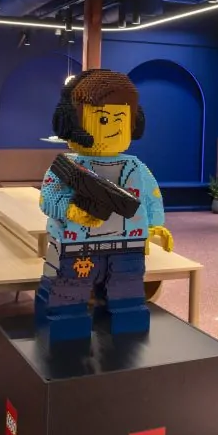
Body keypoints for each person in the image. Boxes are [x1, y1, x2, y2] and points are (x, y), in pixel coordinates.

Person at [35, 69, 173, 342]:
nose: (113, 128)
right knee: (67, 295)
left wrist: (155, 224)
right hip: (75, 247)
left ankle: (126, 327)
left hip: (127, 245)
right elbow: (47, 198)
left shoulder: (135, 167)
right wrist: (70, 209)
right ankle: (64, 328)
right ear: (70, 122)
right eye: (103, 119)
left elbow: (151, 195)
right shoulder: (67, 167)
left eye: (121, 119)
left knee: (126, 295)